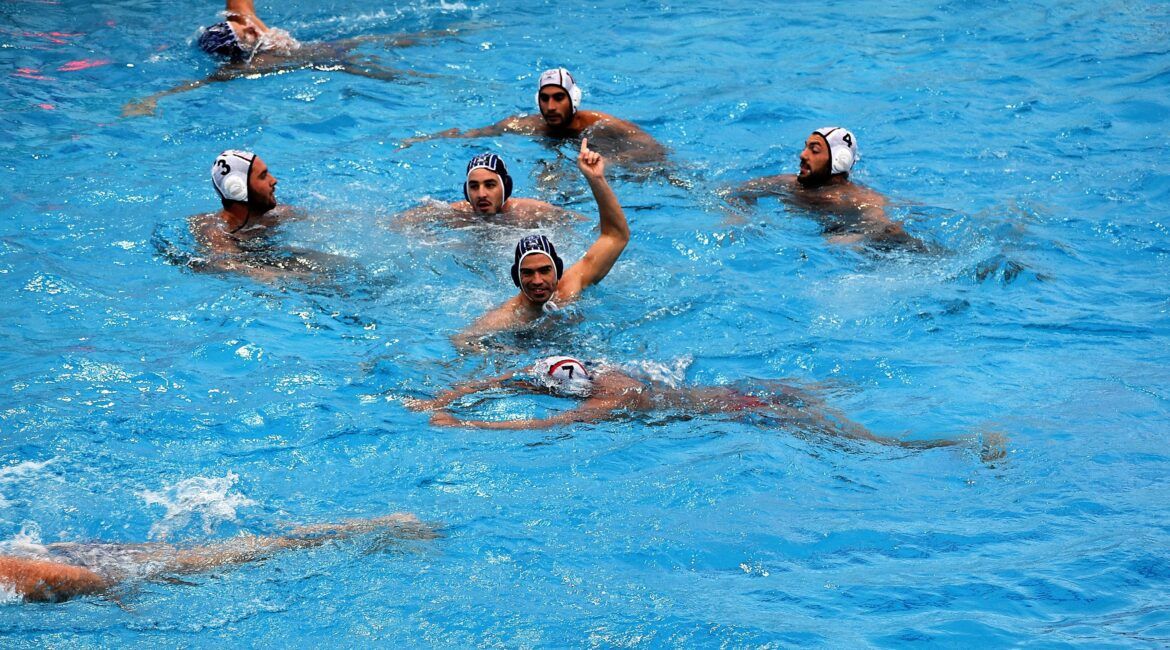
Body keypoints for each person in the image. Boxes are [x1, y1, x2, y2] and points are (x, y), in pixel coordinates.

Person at [407, 356, 1006, 459]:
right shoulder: (602, 371)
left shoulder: (609, 401)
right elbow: (516, 380)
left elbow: (544, 422)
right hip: (742, 387)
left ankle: (955, 444)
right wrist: (442, 397)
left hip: (744, 409)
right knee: (830, 402)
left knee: (864, 443)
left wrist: (463, 423)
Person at [0, 513, 432, 603]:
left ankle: (374, 528)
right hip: (59, 561)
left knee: (228, 558)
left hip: (87, 569)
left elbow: (84, 579)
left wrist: (114, 590)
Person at [122, 0, 450, 117]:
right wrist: (153, 98)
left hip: (331, 47)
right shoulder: (252, 63)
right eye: (245, 31)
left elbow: (239, 8)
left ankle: (449, 34)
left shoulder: (250, 28)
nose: (251, 26)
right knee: (390, 73)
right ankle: (434, 83)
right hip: (331, 63)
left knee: (402, 39)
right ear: (242, 47)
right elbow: (202, 82)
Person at [452, 139, 629, 350]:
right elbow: (462, 341)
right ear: (516, 278)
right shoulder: (507, 317)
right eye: (527, 273)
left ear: (558, 270)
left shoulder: (570, 287)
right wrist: (505, 354)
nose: (537, 281)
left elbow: (615, 236)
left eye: (544, 270)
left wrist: (596, 179)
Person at [400, 67, 667, 165]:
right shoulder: (525, 126)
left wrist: (611, 163)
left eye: (559, 98)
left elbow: (653, 149)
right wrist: (426, 140)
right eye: (544, 98)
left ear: (573, 100)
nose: (550, 106)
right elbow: (476, 133)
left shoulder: (603, 124)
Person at [727, 127, 925, 249]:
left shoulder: (858, 199)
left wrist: (854, 239)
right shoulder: (788, 184)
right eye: (805, 147)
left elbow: (887, 229)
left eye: (814, 150)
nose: (803, 155)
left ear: (839, 160)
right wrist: (740, 217)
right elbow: (735, 191)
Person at [398, 153, 585, 228]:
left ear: (506, 188)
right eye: (474, 186)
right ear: (466, 191)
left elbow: (585, 223)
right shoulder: (457, 214)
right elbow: (400, 222)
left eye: (490, 185)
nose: (481, 194)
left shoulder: (531, 212)